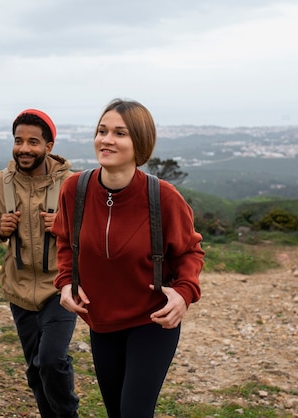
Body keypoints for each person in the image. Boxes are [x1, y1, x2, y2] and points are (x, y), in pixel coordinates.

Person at [52, 99, 204, 418]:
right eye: (102, 130)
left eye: (120, 133)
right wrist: (66, 283)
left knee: (134, 412)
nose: (106, 140)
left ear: (140, 143)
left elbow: (190, 250)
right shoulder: (74, 189)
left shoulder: (163, 197)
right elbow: (65, 240)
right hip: (102, 321)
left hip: (151, 320)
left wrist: (185, 293)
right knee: (116, 411)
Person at [0, 109, 79, 418]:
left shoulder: (72, 186)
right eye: (18, 141)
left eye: (33, 142)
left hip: (61, 287)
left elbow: (95, 235)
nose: (24, 148)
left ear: (49, 146)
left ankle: (67, 414)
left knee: (51, 360)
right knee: (35, 371)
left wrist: (64, 225)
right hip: (19, 290)